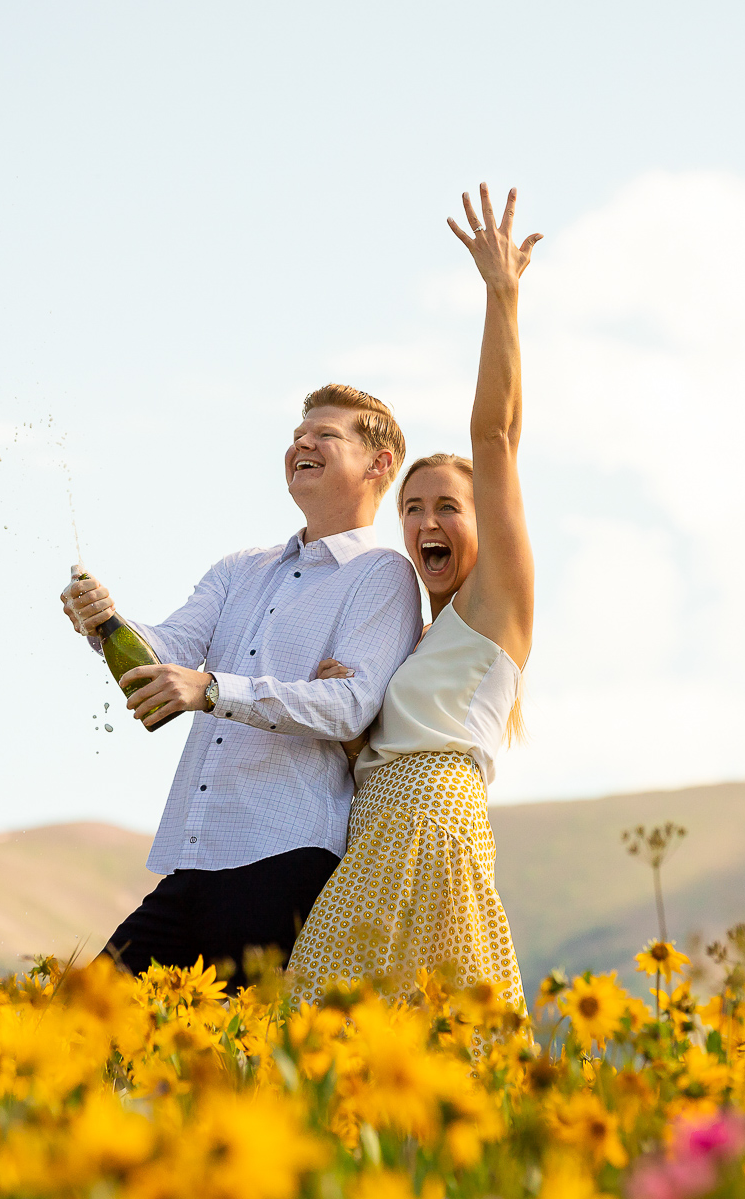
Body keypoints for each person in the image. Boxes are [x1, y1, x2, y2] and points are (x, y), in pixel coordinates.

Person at [59, 385, 423, 986]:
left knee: (235, 1063)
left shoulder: (383, 575)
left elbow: (350, 706)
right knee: (78, 1025)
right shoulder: (239, 568)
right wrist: (105, 623)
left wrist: (211, 690)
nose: (301, 443)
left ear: (379, 464)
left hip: (286, 861)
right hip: (195, 857)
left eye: (326, 435)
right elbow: (165, 653)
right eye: (297, 435)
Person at [288, 183, 541, 1009]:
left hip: (433, 828)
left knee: (401, 1035)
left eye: (449, 507)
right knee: (339, 1038)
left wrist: (501, 295)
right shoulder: (415, 637)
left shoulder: (495, 605)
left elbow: (494, 438)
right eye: (413, 507)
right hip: (377, 833)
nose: (427, 520)